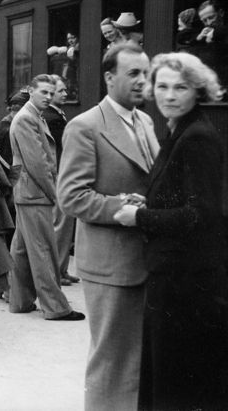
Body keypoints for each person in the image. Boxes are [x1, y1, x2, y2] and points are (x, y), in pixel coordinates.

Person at [113, 52, 228, 411]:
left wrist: (140, 218)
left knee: (175, 385)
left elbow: (201, 214)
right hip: (178, 277)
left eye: (181, 87)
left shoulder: (196, 138)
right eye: (161, 86)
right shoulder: (179, 130)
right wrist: (146, 201)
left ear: (198, 90)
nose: (169, 95)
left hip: (186, 283)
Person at [57, 42, 160, 411]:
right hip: (110, 264)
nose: (142, 82)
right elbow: (71, 197)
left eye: (146, 74)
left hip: (144, 258)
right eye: (133, 73)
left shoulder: (145, 121)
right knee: (112, 361)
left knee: (136, 360)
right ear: (109, 76)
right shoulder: (85, 127)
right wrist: (121, 207)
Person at [8, 74, 84, 321]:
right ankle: (55, 307)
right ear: (30, 91)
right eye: (44, 92)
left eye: (52, 93)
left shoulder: (29, 117)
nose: (49, 97)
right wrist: (55, 193)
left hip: (27, 192)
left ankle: (19, 301)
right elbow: (38, 163)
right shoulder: (27, 119)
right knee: (43, 249)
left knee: (21, 249)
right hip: (35, 193)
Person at [42, 76, 78, 287]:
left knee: (64, 225)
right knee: (61, 225)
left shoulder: (57, 114)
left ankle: (62, 268)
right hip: (61, 176)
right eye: (61, 91)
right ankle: (57, 271)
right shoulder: (52, 117)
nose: (65, 94)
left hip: (62, 176)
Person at [195, 0, 228, 89]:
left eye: (211, 17)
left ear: (221, 13)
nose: (208, 23)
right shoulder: (204, 36)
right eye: (204, 21)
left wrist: (216, 33)